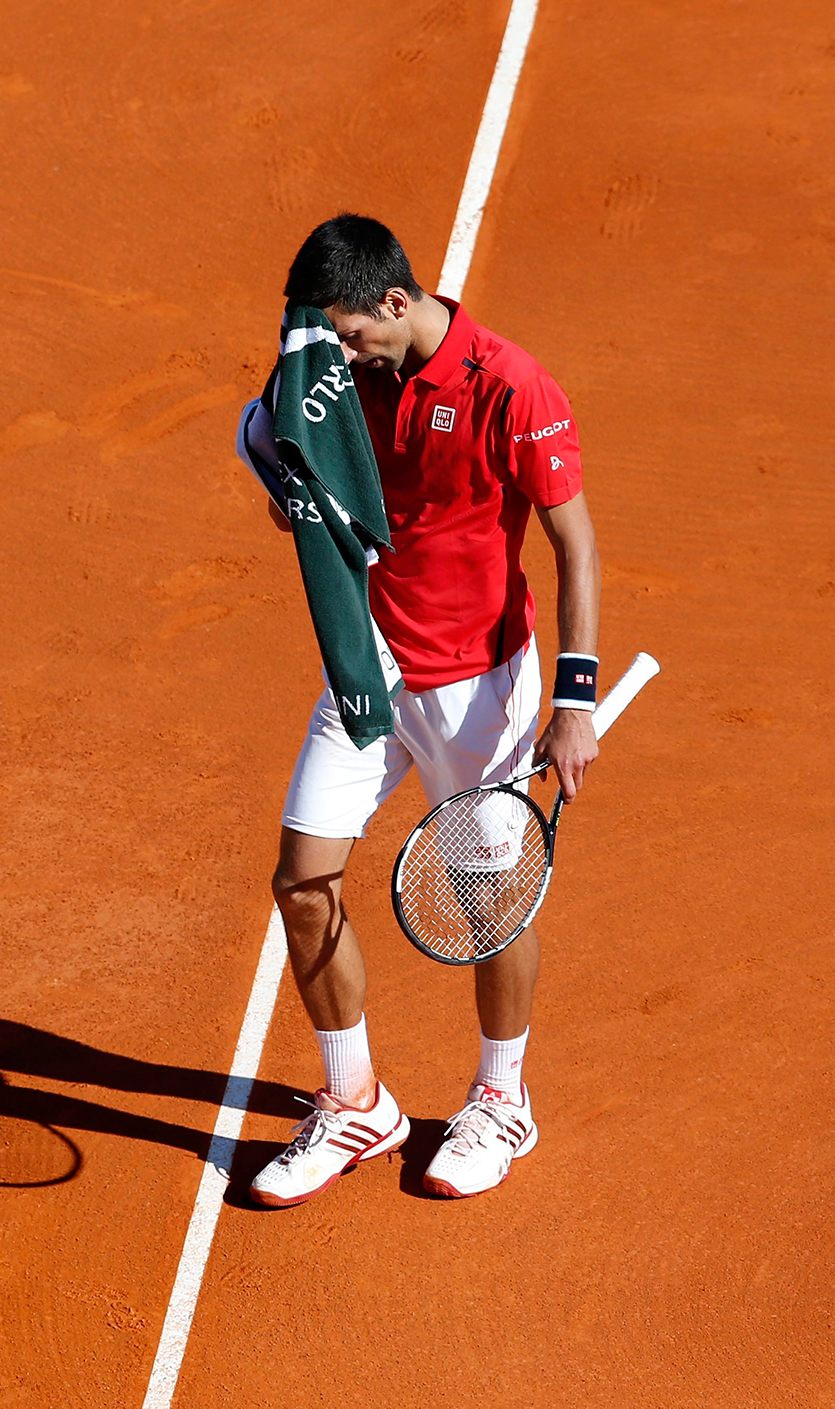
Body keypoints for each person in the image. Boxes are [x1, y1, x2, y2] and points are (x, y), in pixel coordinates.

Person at [246, 214, 601, 1205]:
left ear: (395, 303)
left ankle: (499, 1098)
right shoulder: (338, 377)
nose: (342, 354)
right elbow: (303, 483)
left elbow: (573, 543)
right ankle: (354, 1099)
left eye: (352, 334)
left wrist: (572, 698)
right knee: (299, 880)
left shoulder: (509, 385)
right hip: (367, 677)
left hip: (480, 691)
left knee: (490, 907)